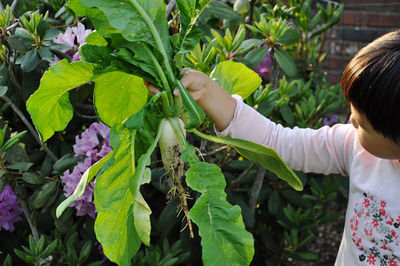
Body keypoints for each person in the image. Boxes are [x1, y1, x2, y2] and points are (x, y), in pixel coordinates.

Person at [148, 30, 400, 265]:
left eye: (363, 124)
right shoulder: (354, 146)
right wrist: (208, 93)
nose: (351, 121)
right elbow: (278, 143)